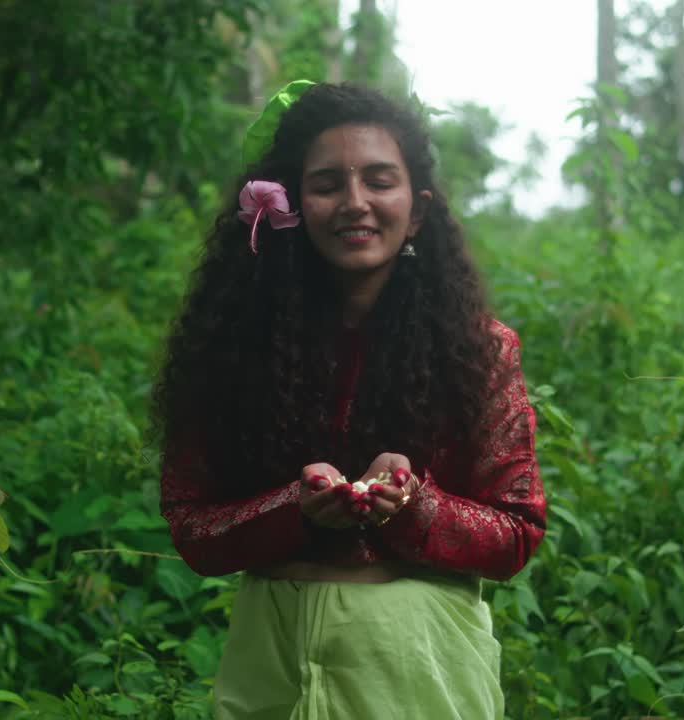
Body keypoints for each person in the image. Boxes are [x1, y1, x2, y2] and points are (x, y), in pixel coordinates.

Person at [152, 82, 546, 720]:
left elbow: (516, 532)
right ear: (292, 203)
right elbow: (192, 529)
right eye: (328, 183)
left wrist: (413, 505)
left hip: (420, 663)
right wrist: (297, 509)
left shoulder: (480, 352)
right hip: (268, 660)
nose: (355, 202)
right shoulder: (233, 346)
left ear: (415, 210)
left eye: (379, 180)